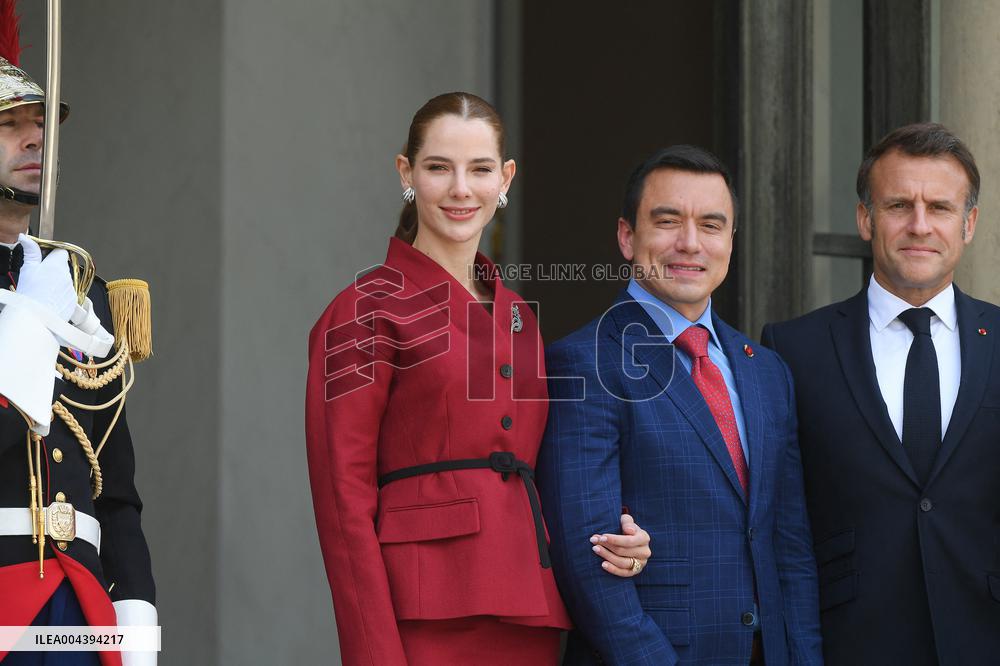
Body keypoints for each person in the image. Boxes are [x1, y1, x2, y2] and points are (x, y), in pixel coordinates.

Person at [304, 91, 652, 666]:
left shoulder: (520, 314)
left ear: (505, 178)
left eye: (480, 169)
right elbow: (342, 505)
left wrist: (623, 539)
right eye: (439, 167)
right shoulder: (362, 309)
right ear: (406, 173)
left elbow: (550, 472)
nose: (461, 189)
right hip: (423, 613)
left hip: (530, 608)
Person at [538, 145, 823, 665]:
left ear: (731, 243)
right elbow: (586, 556)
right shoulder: (580, 363)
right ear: (628, 236)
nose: (690, 243)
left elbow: (790, 549)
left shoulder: (766, 370)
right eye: (668, 221)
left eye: (711, 225)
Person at [761, 122, 999, 665]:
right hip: (848, 641)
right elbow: (777, 516)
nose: (919, 226)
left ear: (969, 224)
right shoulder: (793, 348)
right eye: (898, 205)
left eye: (939, 207)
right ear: (866, 219)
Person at [0, 37, 156, 666]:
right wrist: (28, 323)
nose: (36, 139)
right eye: (10, 125)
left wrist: (137, 623)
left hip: (82, 617)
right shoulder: (46, 305)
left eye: (41, 124)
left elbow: (115, 492)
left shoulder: (76, 294)